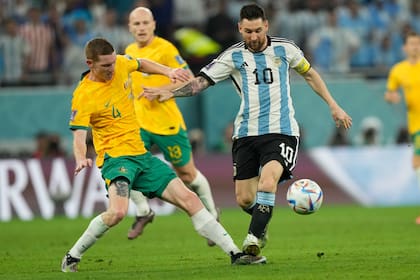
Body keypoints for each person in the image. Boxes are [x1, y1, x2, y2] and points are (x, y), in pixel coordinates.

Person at [143, 3, 352, 258]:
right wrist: (170, 92)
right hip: (246, 133)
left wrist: (334, 105)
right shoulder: (232, 56)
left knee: (267, 181)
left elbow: (310, 74)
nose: (253, 37)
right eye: (247, 31)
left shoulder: (285, 49)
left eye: (257, 30)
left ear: (266, 26)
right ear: (240, 29)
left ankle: (252, 240)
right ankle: (261, 225)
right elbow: (200, 83)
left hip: (281, 130)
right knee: (244, 199)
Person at [60, 38, 265, 272]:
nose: (112, 69)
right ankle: (72, 256)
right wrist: (80, 157)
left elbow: (141, 63)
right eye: (106, 66)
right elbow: (78, 134)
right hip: (116, 159)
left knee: (190, 200)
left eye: (113, 63)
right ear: (90, 63)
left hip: (143, 157)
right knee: (117, 213)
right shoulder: (84, 94)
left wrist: (169, 71)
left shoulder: (120, 63)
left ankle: (235, 253)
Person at [125, 7, 219, 245]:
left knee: (188, 174)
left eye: (145, 23)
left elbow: (189, 78)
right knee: (125, 163)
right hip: (140, 123)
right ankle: (143, 210)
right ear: (130, 28)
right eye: (136, 24)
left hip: (167, 124)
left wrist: (162, 91)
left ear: (154, 24)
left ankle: (212, 214)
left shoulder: (166, 49)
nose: (141, 28)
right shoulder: (129, 52)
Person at [384, 31, 420, 224]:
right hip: (415, 123)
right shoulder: (399, 70)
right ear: (405, 48)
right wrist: (393, 97)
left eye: (418, 44)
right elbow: (389, 93)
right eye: (412, 44)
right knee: (416, 164)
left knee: (417, 162)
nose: (415, 47)